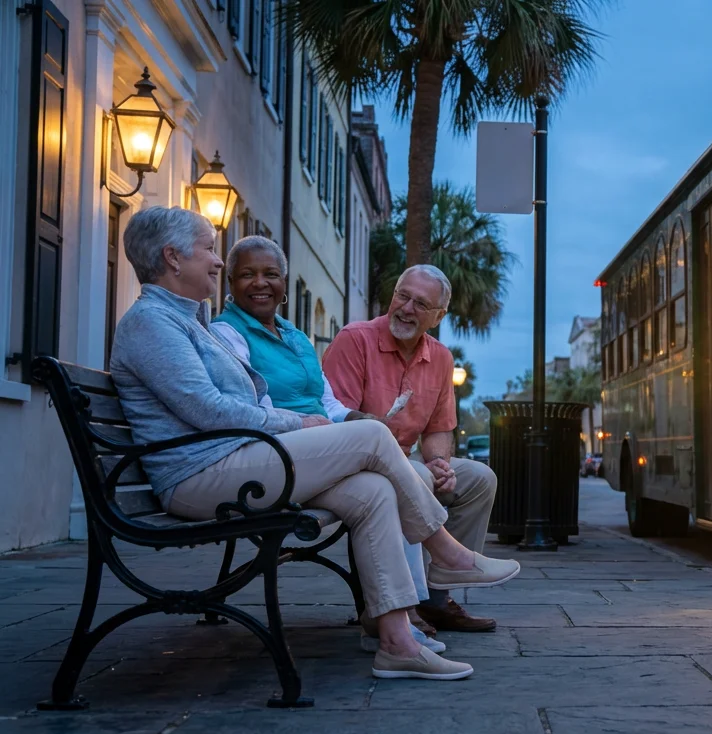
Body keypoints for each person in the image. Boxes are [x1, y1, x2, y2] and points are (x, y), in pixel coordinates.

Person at [109, 206, 520, 681]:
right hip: (199, 475)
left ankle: (396, 641)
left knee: (373, 490)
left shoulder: (188, 320)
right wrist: (299, 424)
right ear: (172, 258)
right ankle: (447, 553)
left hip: (235, 460)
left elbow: (242, 398)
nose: (217, 262)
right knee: (369, 434)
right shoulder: (153, 323)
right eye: (209, 249)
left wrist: (295, 422)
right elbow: (207, 411)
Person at [208, 236, 443, 654]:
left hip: (304, 453)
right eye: (247, 274)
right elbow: (248, 407)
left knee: (378, 483)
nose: (260, 284)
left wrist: (352, 417)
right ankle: (448, 550)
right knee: (378, 441)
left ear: (284, 282)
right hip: (271, 458)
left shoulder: (295, 337)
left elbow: (327, 399)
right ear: (230, 281)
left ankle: (391, 625)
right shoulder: (226, 334)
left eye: (271, 274)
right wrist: (317, 425)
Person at [323, 265, 498, 633]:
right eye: (403, 295)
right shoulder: (355, 339)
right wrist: (417, 465)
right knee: (414, 476)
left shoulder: (441, 359)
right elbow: (337, 421)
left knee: (479, 478)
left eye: (421, 303)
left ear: (438, 316)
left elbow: (438, 428)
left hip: (408, 459)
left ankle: (437, 598)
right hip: (355, 463)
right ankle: (403, 603)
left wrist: (440, 463)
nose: (406, 308)